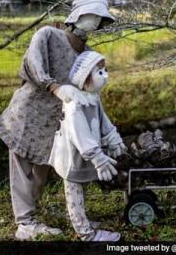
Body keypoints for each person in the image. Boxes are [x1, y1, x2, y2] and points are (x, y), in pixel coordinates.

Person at [0, 0, 117, 240]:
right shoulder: (48, 35)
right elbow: (33, 64)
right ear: (78, 15)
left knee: (43, 169)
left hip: (56, 122)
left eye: (100, 18)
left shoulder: (88, 54)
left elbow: (90, 90)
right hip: (28, 113)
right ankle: (25, 223)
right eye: (92, 15)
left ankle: (37, 214)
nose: (96, 22)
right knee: (22, 170)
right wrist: (55, 87)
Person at [48, 51, 126, 241]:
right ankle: (85, 233)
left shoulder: (92, 99)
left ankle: (80, 218)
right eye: (100, 72)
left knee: (81, 189)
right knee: (74, 191)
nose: (105, 75)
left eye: (105, 70)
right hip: (72, 158)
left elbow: (103, 121)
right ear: (85, 77)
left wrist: (112, 138)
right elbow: (80, 135)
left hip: (83, 157)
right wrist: (98, 159)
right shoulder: (75, 104)